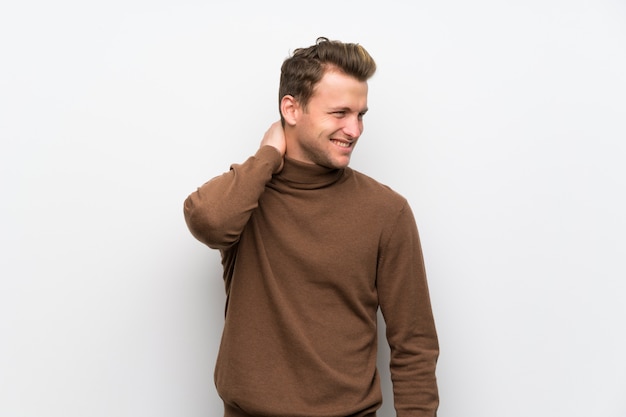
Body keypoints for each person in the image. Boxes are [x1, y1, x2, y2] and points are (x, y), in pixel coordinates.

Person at [184, 37, 439, 417]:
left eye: (361, 114)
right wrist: (267, 156)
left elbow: (414, 344)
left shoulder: (387, 211)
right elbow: (208, 222)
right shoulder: (247, 197)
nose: (354, 130)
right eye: (339, 113)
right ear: (291, 108)